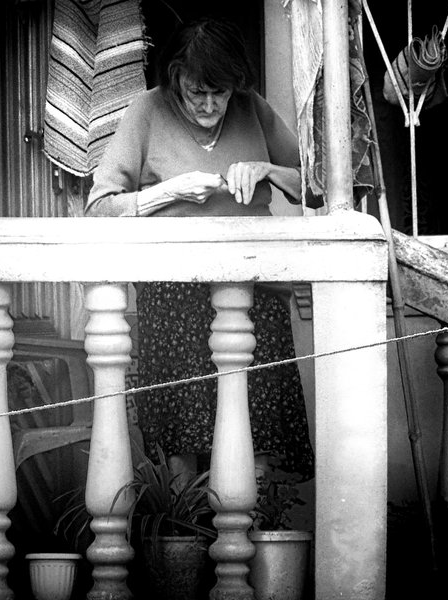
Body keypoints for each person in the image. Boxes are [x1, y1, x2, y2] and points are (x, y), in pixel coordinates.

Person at [85, 17, 315, 483]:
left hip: (254, 290)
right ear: (175, 78)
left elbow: (316, 183)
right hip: (175, 299)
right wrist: (168, 192)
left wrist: (267, 169)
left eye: (220, 93)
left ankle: (256, 525)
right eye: (197, 92)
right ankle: (185, 527)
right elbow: (99, 207)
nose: (210, 105)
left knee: (257, 430)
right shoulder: (147, 111)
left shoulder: (252, 108)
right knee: (184, 438)